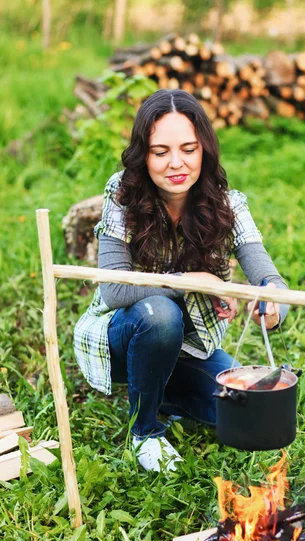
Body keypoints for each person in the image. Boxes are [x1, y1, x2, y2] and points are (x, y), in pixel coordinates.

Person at [74, 89, 289, 473]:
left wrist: (273, 302)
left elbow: (268, 276)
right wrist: (192, 280)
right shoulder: (122, 193)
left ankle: (165, 395)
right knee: (159, 314)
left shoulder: (227, 203)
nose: (177, 163)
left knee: (238, 406)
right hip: (123, 334)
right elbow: (115, 288)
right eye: (161, 152)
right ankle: (145, 431)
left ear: (204, 148)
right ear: (144, 154)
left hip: (191, 346)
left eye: (189, 149)